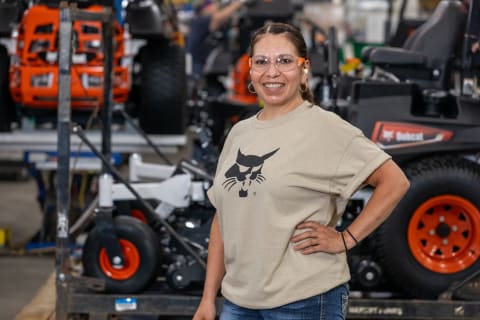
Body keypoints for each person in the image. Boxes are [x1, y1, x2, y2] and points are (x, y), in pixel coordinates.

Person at [193, 22, 410, 320]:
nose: (272, 72)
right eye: (261, 62)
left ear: (304, 69)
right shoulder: (240, 133)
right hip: (238, 302)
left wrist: (345, 239)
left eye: (284, 61)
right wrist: (208, 297)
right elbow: (223, 218)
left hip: (304, 301)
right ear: (251, 71)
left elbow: (394, 181)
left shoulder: (325, 128)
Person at [186, 0, 249, 78]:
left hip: (200, 62)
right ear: (206, 8)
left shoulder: (199, 21)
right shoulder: (202, 20)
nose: (215, 7)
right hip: (196, 64)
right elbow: (219, 17)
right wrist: (239, 3)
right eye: (212, 5)